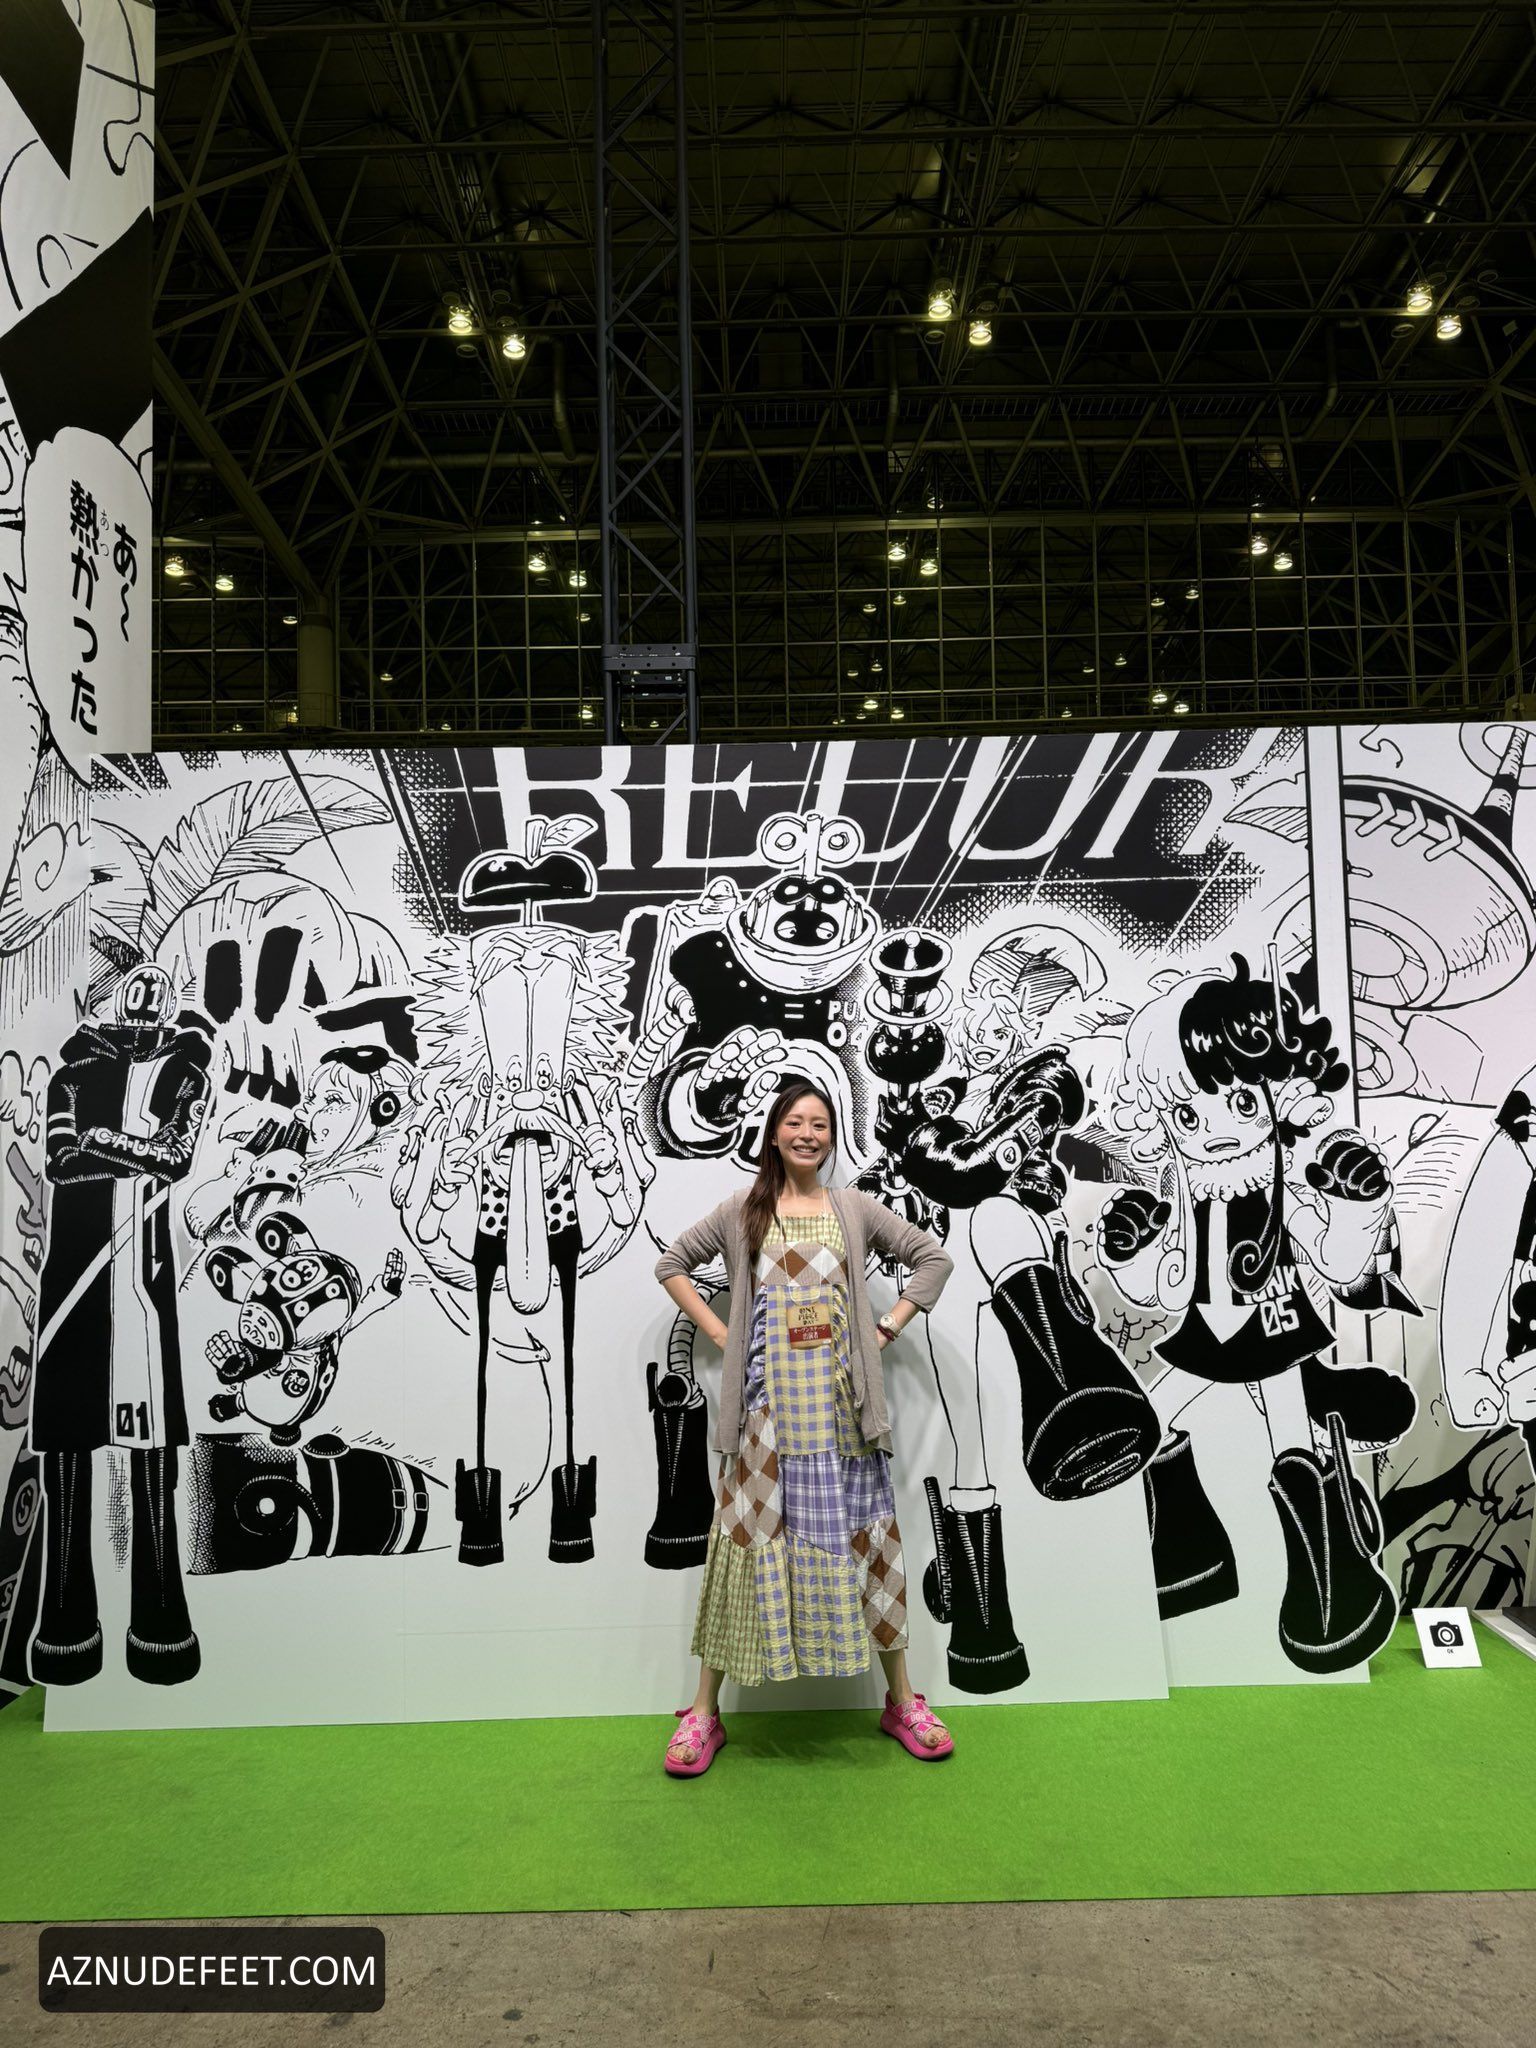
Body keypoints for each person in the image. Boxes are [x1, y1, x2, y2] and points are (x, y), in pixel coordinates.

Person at [653, 1082, 956, 1775]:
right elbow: (671, 1264)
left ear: (831, 1138)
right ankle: (703, 1713)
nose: (808, 1134)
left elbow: (933, 1259)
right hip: (764, 1419)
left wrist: (886, 1326)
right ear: (774, 1132)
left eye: (820, 1124)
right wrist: (721, 1334)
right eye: (796, 1121)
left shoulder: (853, 1208)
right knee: (741, 1550)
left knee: (871, 1552)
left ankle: (902, 1702)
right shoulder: (742, 1209)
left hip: (843, 1419)